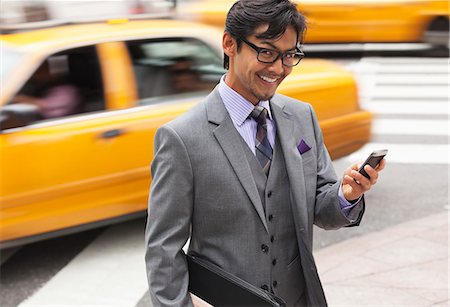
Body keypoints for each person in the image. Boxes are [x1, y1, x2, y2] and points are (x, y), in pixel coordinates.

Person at [145, 0, 385, 306]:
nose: (278, 68)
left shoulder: (302, 117)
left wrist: (346, 195)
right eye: (267, 52)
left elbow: (320, 206)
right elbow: (163, 251)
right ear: (229, 44)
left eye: (289, 55)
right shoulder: (181, 138)